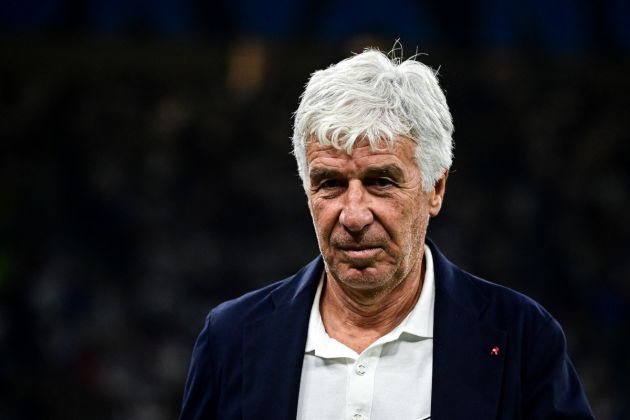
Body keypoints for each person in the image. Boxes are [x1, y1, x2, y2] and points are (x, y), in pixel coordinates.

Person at [179, 48, 594, 420]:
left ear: (436, 188)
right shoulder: (230, 339)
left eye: (381, 181)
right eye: (330, 184)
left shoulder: (524, 338)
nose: (354, 216)